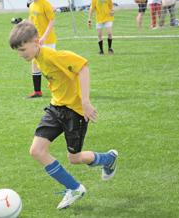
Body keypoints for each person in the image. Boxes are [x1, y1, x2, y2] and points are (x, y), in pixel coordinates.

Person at [9, 21, 118, 209]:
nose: (21, 55)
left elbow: (82, 67)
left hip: (75, 112)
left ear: (35, 42)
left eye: (22, 49)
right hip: (56, 108)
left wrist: (85, 101)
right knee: (36, 151)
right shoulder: (37, 57)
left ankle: (108, 159)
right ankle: (74, 188)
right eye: (18, 51)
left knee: (74, 159)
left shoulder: (52, 56)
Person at [27, 0, 57, 98]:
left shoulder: (45, 4)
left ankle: (59, 89)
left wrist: (44, 37)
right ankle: (37, 91)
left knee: (50, 65)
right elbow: (31, 21)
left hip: (48, 41)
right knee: (34, 63)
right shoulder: (32, 5)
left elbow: (52, 21)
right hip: (36, 40)